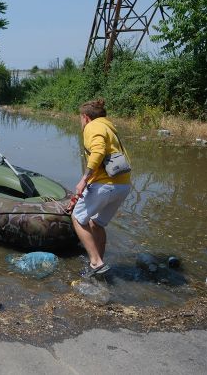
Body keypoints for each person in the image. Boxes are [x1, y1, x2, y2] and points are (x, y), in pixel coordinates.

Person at [67, 98, 131, 278]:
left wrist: (83, 179)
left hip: (105, 185)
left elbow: (98, 151)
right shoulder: (110, 128)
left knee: (78, 218)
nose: (81, 122)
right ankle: (100, 265)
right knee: (97, 223)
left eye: (80, 119)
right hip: (123, 186)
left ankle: (95, 262)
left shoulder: (92, 127)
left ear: (86, 117)